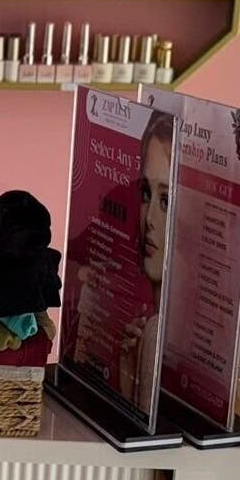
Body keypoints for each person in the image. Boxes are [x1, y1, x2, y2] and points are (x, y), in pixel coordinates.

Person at [64, 109, 175, 413]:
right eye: (146, 194)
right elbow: (72, 258)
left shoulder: (158, 335)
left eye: (166, 201)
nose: (150, 218)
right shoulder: (119, 204)